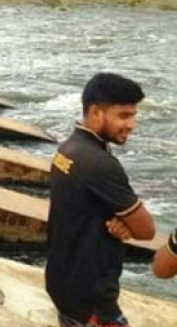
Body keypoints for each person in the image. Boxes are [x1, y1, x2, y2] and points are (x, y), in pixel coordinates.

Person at [46, 73, 156, 327]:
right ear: (96, 113)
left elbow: (84, 209)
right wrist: (128, 225)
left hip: (64, 281)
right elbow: (147, 230)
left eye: (133, 115)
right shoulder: (101, 165)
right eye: (124, 116)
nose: (132, 125)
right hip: (91, 296)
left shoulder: (68, 149)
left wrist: (121, 221)